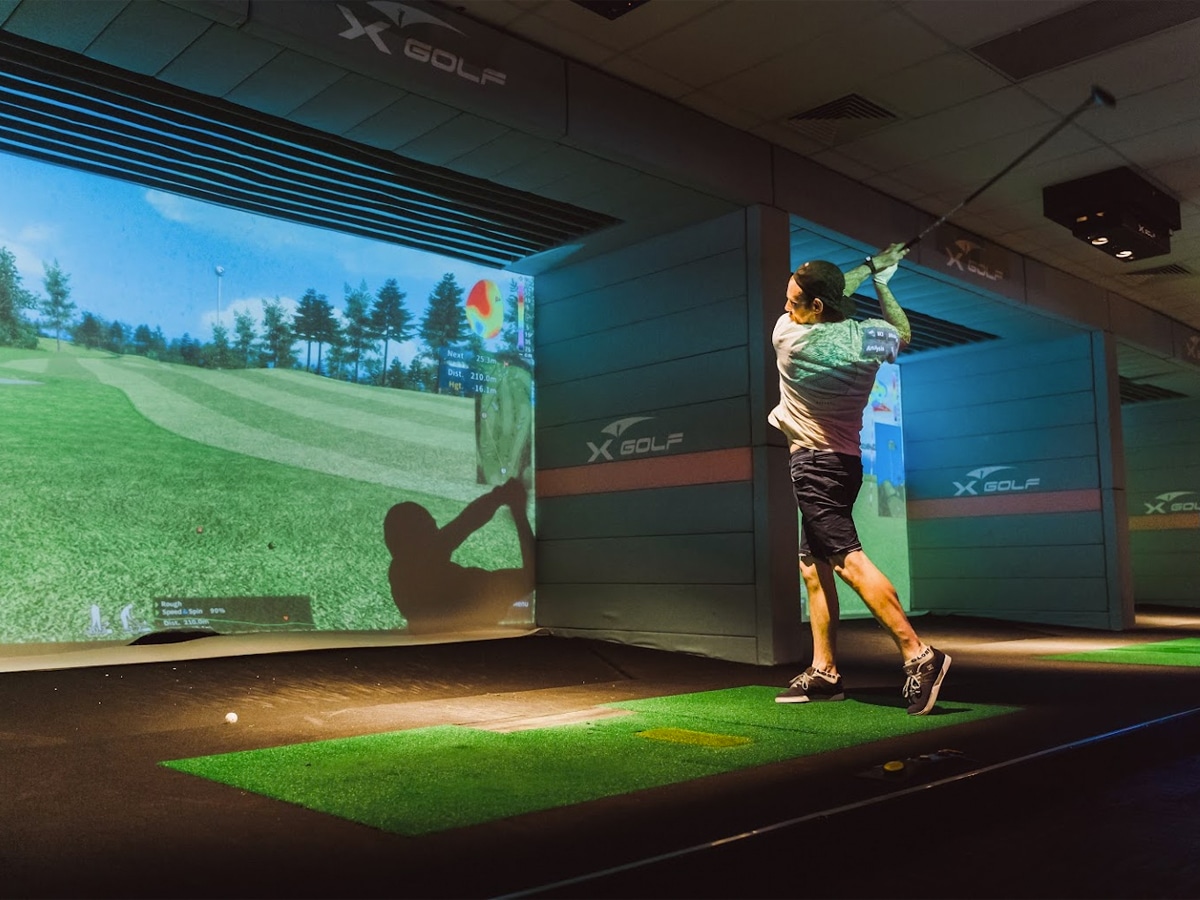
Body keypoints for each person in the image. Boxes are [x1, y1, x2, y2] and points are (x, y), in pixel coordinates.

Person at [768, 242, 950, 715]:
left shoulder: (789, 336)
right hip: (845, 464)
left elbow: (835, 288)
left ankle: (919, 655)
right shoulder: (867, 337)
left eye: (793, 301)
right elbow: (903, 332)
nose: (785, 307)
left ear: (814, 308)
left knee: (847, 561)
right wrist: (881, 280)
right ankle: (825, 671)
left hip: (813, 467)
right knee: (813, 565)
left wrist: (868, 267)